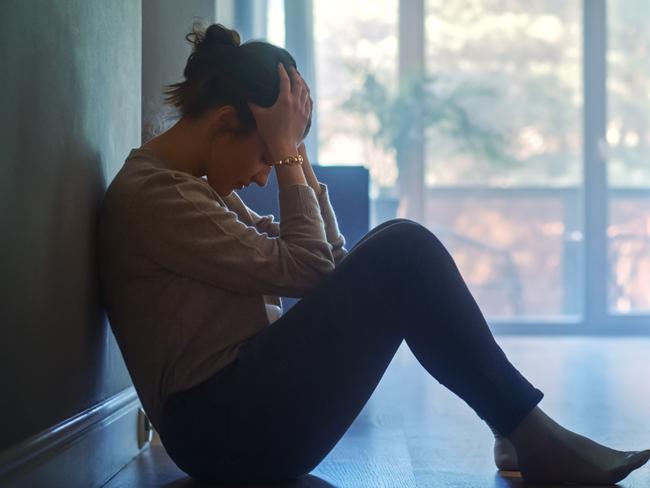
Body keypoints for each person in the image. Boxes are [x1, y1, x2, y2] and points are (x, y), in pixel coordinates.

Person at [98, 23, 650, 486]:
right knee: (404, 247)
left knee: (399, 245)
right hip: (222, 433)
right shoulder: (158, 196)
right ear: (223, 124)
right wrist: (289, 157)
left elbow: (327, 267)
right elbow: (310, 266)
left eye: (276, 159)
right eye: (267, 155)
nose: (264, 175)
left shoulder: (190, 190)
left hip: (239, 415)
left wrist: (297, 159)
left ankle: (519, 433)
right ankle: (528, 436)